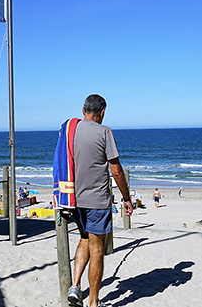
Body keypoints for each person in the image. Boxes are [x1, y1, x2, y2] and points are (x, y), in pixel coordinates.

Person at [68, 94, 133, 307]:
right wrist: (126, 197)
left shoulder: (71, 131)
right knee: (97, 248)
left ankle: (75, 287)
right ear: (102, 112)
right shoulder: (105, 132)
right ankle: (94, 302)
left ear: (83, 110)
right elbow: (116, 170)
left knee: (84, 239)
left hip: (74, 199)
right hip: (97, 200)